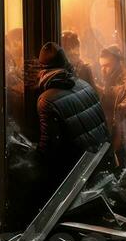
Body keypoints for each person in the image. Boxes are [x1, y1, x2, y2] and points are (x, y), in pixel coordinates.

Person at [34, 42, 109, 188]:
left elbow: (49, 149)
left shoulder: (46, 100)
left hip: (74, 178)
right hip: (96, 167)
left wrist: (32, 162)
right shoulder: (85, 85)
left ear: (42, 70)